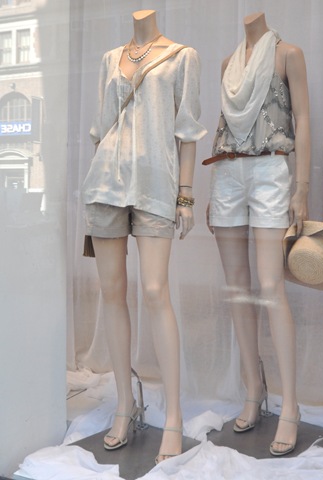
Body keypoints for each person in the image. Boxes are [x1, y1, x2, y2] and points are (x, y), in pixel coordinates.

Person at [81, 9, 206, 464]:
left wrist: (185, 195)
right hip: (105, 186)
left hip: (155, 185)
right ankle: (124, 404)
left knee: (155, 291)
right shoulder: (109, 58)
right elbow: (101, 130)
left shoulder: (182, 56)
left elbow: (187, 131)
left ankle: (173, 415)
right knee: (112, 293)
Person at [205, 12, 310, 456]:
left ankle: (291, 405)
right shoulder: (227, 64)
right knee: (236, 288)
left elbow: (302, 118)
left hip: (269, 168)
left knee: (270, 287)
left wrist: (301, 188)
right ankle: (254, 389)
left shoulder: (288, 54)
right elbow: (224, 122)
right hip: (227, 170)